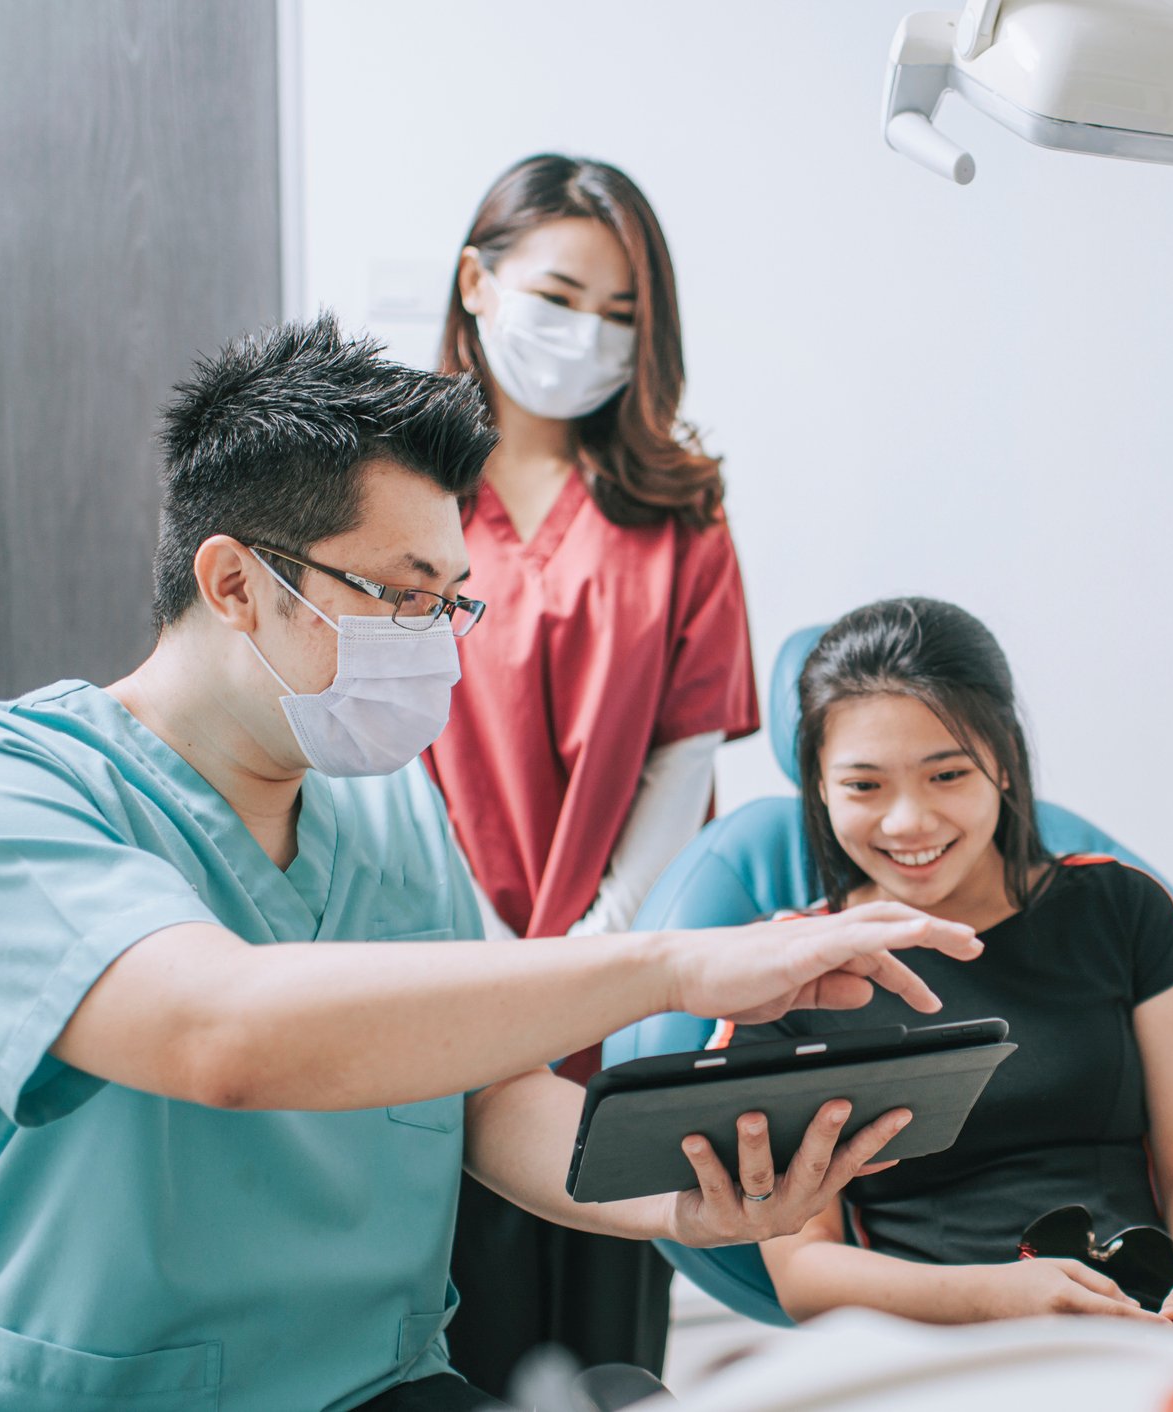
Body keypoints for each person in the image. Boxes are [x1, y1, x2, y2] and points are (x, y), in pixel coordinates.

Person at [0, 318, 981, 1412]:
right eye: (403, 594)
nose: (438, 641)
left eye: (452, 599)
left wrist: (676, 1201)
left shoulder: (391, 808)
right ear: (233, 582)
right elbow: (218, 1029)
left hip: (382, 1388)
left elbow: (492, 1095)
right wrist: (674, 967)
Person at [423, 153, 759, 1389]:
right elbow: (361, 729)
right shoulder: (398, 487)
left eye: (623, 317)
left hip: (617, 974)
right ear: (476, 280)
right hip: (437, 956)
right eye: (562, 296)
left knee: (609, 1330)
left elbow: (684, 750)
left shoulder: (678, 507)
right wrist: (486, 948)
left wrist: (601, 949)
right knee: (451, 1308)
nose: (589, 337)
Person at [728, 599, 1173, 1332]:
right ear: (818, 786)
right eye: (863, 785)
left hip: (1146, 1327)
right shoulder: (780, 972)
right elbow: (805, 1272)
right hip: (937, 1347)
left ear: (1004, 760)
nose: (908, 821)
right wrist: (1005, 1296)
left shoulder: (1121, 908)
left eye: (946, 775)